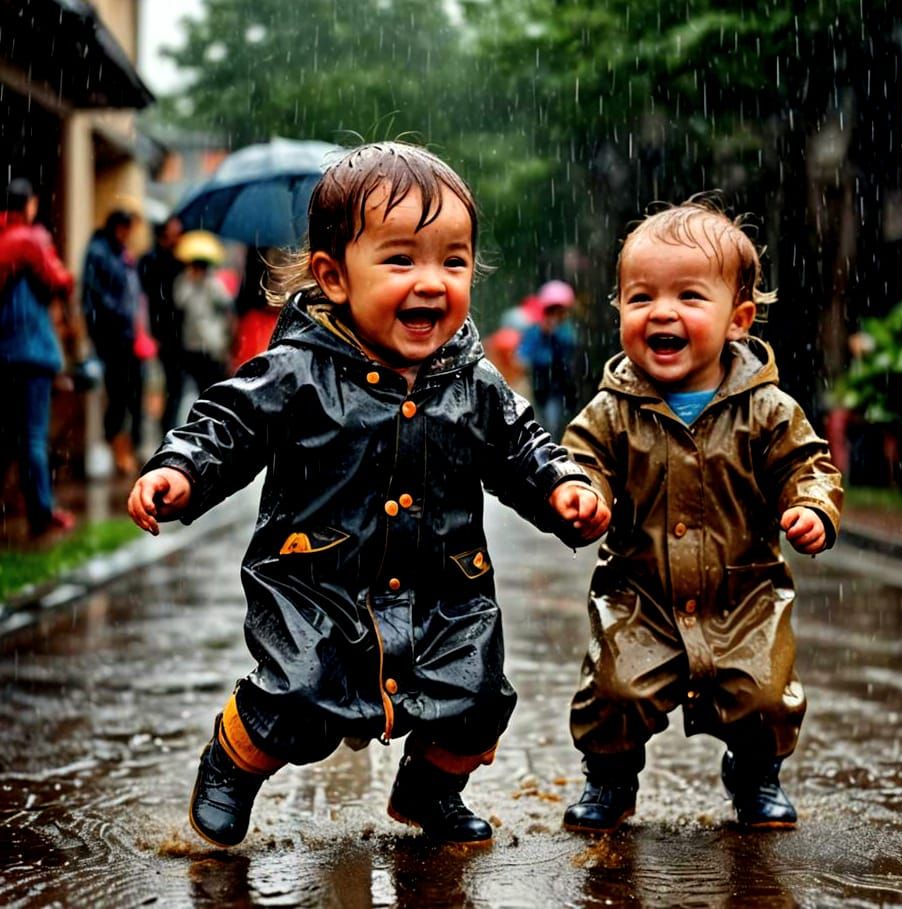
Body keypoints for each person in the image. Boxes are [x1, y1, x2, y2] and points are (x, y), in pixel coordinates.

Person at [126, 142, 611, 849]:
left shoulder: (473, 383)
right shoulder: (296, 370)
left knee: (477, 695)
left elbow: (520, 444)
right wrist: (183, 469)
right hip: (317, 582)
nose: (432, 282)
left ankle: (429, 790)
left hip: (444, 589)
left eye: (453, 261)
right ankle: (231, 760)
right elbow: (228, 423)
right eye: (401, 260)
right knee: (295, 697)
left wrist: (561, 485)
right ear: (333, 277)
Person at [559, 195, 843, 833]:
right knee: (615, 688)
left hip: (744, 594)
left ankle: (756, 775)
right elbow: (580, 459)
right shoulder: (612, 410)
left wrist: (812, 507)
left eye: (689, 296)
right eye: (640, 298)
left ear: (737, 320)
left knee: (765, 695)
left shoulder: (767, 409)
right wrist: (581, 494)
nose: (662, 312)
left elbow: (809, 466)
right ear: (620, 310)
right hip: (640, 592)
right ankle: (609, 777)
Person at [0, 178, 76, 536]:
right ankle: (41, 513)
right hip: (30, 351)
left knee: (9, 434)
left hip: (5, 352)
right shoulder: (30, 238)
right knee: (33, 436)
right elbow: (61, 280)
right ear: (28, 205)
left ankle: (17, 499)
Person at [81, 208, 144, 475]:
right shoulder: (100, 253)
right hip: (112, 338)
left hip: (126, 336)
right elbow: (96, 296)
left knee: (130, 393)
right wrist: (117, 319)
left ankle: (125, 447)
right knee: (118, 395)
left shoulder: (120, 253)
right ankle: (116, 449)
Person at [138, 217, 185, 434]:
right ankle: (163, 427)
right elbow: (146, 299)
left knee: (174, 386)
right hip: (159, 332)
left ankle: (168, 427)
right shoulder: (151, 261)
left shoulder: (179, 261)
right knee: (159, 384)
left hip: (176, 334)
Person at [517, 280, 578, 438]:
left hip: (562, 385)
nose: (555, 317)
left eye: (559, 312)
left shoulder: (566, 330)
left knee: (557, 421)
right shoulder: (535, 331)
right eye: (552, 311)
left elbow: (569, 347)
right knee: (546, 421)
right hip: (542, 384)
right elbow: (524, 354)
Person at [172, 256, 234, 392]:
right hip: (192, 342)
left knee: (211, 384)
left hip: (211, 342)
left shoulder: (213, 283)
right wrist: (190, 282)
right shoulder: (184, 282)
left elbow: (226, 303)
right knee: (196, 383)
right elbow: (179, 302)